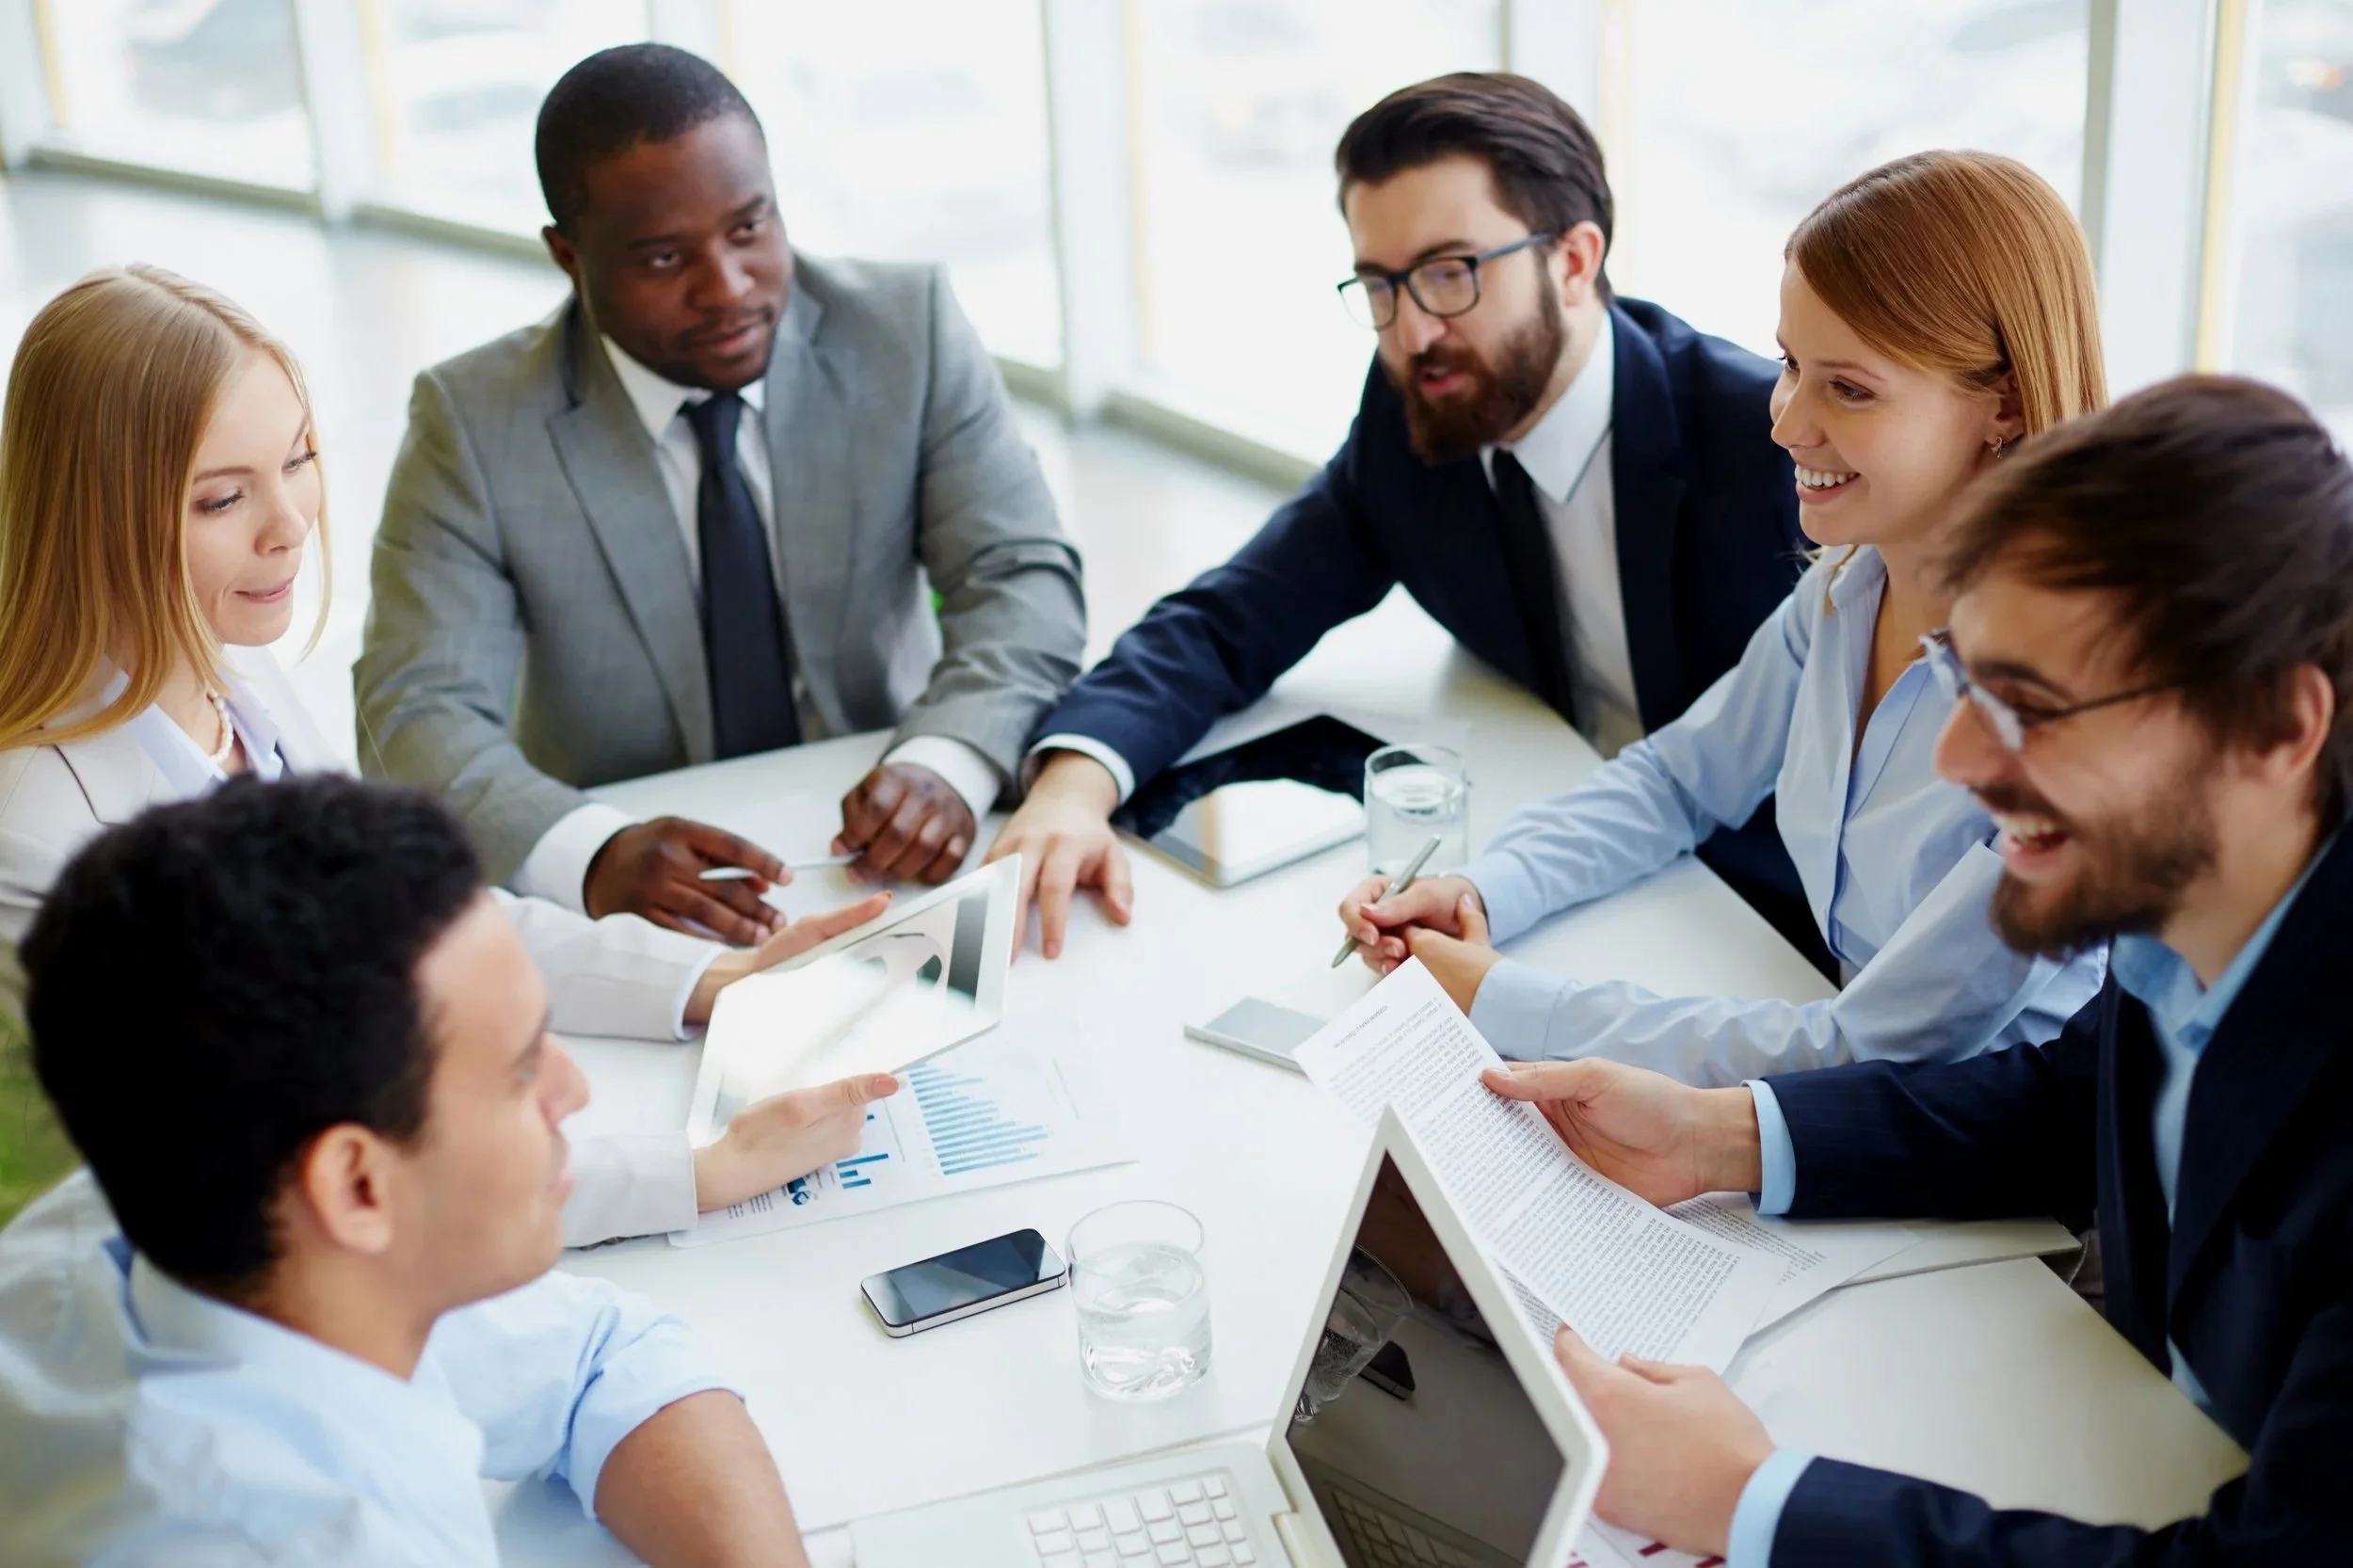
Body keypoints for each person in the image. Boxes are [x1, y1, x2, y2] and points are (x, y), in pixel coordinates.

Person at [1486, 376, 2353, 1564]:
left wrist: (1750, 1504)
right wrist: (1718, 1136)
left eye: (2031, 709)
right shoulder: (2197, 907)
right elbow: (2064, 1100)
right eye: (1967, 687)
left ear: (2275, 727)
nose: (1956, 758)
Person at [0, 264, 886, 1247]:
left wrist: (710, 979)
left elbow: (412, 927)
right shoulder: (40, 831)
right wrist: (699, 1172)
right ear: (94, 518)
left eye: (297, 461)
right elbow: (308, 1166)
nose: (289, 528)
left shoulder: (230, 675)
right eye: (221, 500)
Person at [987, 72, 1811, 960]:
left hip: (1757, 914)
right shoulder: (1416, 418)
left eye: (1449, 275)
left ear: (1574, 262)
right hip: (1536, 854)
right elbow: (1231, 619)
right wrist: (1073, 785)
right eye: (1380, 285)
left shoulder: (1772, 439)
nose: (1411, 333)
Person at [1339, 151, 2109, 1085]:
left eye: (1850, 388)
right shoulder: (1843, 590)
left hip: (1987, 1176)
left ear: (2007, 405)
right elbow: (1678, 777)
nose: (1785, 420)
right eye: (1791, 362)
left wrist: (1497, 996)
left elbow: (1863, 1047)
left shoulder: (2064, 715)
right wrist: (1484, 888)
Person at [357, 42, 1086, 940]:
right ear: (568, 255)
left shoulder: (906, 330)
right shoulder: (473, 421)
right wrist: (591, 852)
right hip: (640, 889)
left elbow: (1021, 575)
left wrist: (950, 759)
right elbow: (415, 709)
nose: (729, 289)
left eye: (750, 227)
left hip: (885, 840)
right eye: (664, 259)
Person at [0, 775, 817, 1566]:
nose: (573, 1091)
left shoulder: (214, 1230)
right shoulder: (295, 1538)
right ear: (357, 1186)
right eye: (521, 1068)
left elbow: (608, 1357)